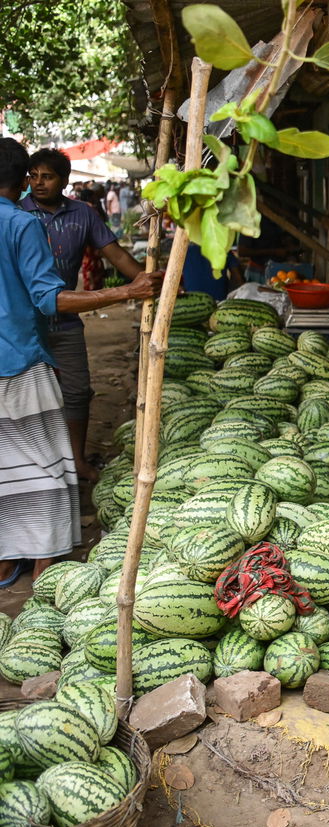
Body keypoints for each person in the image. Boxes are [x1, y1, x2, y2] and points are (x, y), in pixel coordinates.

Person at [0, 139, 161, 587]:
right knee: (45, 464)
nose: (39, 181)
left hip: (19, 351)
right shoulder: (20, 223)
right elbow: (49, 299)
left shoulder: (76, 215)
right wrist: (126, 293)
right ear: (20, 179)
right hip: (17, 360)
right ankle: (41, 567)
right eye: (33, 175)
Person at [23, 149, 146, 482]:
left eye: (46, 176)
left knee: (77, 391)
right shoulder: (19, 214)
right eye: (32, 175)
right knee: (28, 395)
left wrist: (147, 281)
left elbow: (116, 255)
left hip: (65, 319)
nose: (38, 183)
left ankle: (75, 459)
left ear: (64, 180)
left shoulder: (84, 214)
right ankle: (36, 467)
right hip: (24, 325)